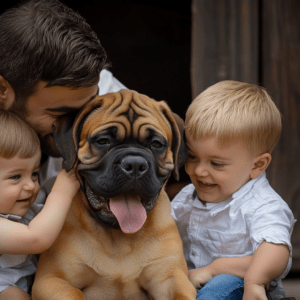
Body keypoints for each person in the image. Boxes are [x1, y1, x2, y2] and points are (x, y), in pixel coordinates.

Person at [171, 80, 295, 300]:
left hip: (239, 288)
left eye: (216, 164)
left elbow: (277, 251)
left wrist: (249, 280)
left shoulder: (263, 205)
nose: (199, 171)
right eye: (192, 157)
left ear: (257, 166)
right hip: (189, 283)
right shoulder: (186, 198)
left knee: (221, 285)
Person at [0, 0, 127, 210]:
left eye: (92, 106)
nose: (81, 124)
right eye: (60, 113)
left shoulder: (111, 95)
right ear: (3, 90)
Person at [0, 109, 80, 300]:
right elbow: (37, 238)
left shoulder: (31, 211)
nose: (30, 185)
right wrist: (63, 190)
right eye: (16, 176)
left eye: (34, 174)